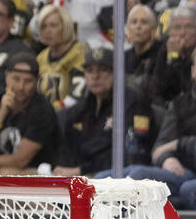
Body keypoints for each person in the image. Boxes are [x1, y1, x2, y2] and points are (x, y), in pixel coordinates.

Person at [53, 46, 153, 176]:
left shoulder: (134, 103)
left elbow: (132, 152)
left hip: (117, 178)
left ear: (116, 73)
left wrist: (82, 170)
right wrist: (65, 169)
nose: (95, 76)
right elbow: (67, 146)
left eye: (103, 70)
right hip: (80, 176)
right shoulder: (81, 109)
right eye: (89, 71)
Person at [126, 42, 196, 201]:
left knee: (140, 176)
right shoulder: (179, 104)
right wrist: (167, 158)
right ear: (193, 72)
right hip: (181, 170)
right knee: (110, 176)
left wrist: (181, 144)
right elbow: (159, 148)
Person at [34, 4, 88, 110]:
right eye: (43, 26)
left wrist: (47, 112)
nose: (48, 31)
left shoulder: (80, 54)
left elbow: (76, 99)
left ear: (66, 26)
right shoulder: (41, 57)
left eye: (53, 25)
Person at [147, 6, 196, 106]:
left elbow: (190, 90)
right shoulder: (164, 49)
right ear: (170, 33)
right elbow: (155, 90)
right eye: (177, 27)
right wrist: (172, 56)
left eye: (189, 27)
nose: (182, 33)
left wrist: (175, 60)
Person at [124, 3, 162, 93]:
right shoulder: (123, 57)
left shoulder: (161, 54)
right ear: (128, 29)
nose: (138, 26)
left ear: (153, 29)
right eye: (134, 22)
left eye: (144, 22)